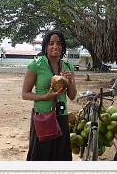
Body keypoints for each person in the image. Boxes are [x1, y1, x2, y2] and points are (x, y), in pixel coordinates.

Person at [22, 30, 77, 161]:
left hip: (62, 117)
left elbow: (72, 96)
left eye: (59, 43)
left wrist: (70, 81)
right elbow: (25, 94)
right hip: (43, 117)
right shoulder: (36, 65)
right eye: (51, 43)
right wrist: (45, 97)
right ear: (45, 46)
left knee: (61, 156)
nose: (55, 46)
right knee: (41, 156)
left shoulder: (68, 66)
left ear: (63, 47)